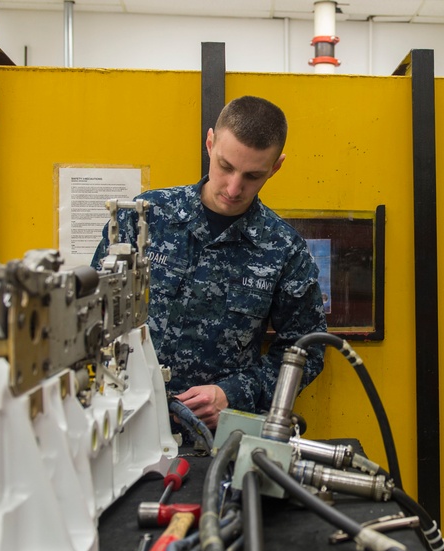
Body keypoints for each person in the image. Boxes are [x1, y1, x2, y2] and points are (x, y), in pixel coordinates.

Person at [92, 96, 327, 428]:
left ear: (276, 167)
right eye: (226, 166)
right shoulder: (144, 217)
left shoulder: (283, 248)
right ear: (210, 142)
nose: (233, 188)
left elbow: (307, 350)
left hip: (222, 437)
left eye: (253, 175)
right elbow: (95, 312)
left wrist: (234, 392)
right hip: (130, 423)